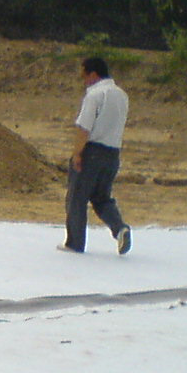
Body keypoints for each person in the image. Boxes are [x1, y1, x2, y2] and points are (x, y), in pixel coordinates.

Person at [60, 55, 132, 254]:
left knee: (77, 198)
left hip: (92, 151)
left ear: (92, 74)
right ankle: (120, 228)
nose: (83, 80)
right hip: (113, 152)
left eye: (84, 75)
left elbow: (84, 127)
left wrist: (77, 154)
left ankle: (74, 243)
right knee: (102, 198)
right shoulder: (122, 95)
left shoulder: (94, 95)